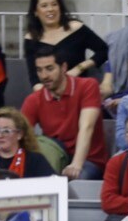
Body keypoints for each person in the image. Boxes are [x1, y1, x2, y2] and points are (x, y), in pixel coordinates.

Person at [21, 46, 106, 179]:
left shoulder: (88, 86)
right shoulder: (34, 99)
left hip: (88, 160)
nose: (44, 76)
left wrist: (76, 164)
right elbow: (20, 134)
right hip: (55, 156)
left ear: (64, 67)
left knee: (77, 180)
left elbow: (86, 127)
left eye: (50, 69)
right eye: (39, 70)